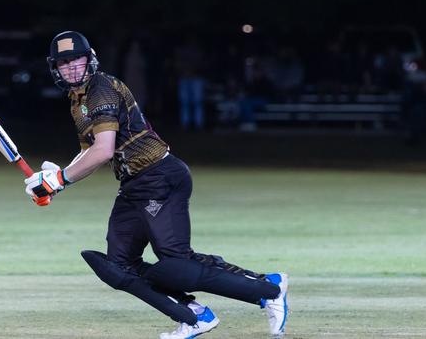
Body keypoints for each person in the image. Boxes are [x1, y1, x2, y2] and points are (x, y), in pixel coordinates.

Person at [24, 31, 289, 338]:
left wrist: (61, 179)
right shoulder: (78, 99)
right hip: (134, 184)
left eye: (75, 60)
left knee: (176, 262)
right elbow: (88, 150)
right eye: (63, 63)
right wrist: (54, 182)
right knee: (120, 265)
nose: (70, 68)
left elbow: (104, 150)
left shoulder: (102, 89)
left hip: (159, 176)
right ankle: (193, 315)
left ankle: (269, 290)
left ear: (90, 59)